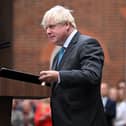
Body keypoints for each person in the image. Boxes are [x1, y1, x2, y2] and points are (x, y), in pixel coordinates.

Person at [39, 5, 108, 126]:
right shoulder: (58, 54)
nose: (48, 31)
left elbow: (92, 75)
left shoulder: (87, 44)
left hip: (84, 121)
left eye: (51, 26)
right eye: (46, 28)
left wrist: (59, 76)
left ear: (67, 25)